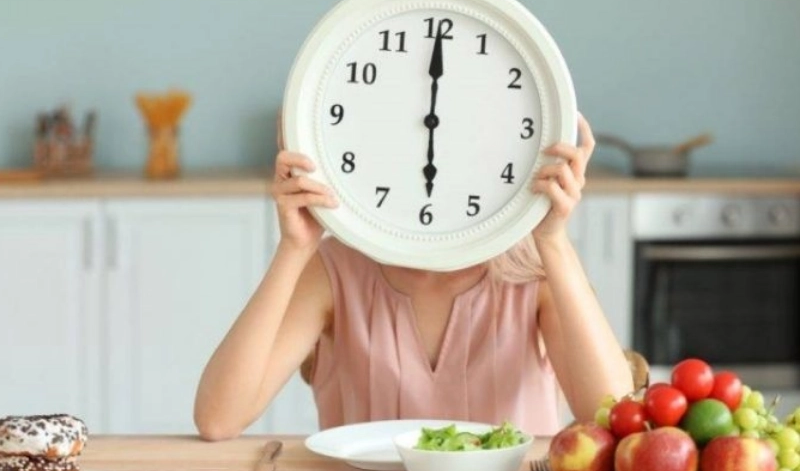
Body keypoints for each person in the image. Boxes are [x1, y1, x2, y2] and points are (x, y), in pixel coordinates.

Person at [194, 113, 633, 440]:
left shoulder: (533, 274)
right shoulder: (334, 269)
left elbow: (613, 417)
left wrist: (552, 240)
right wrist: (295, 247)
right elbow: (218, 420)